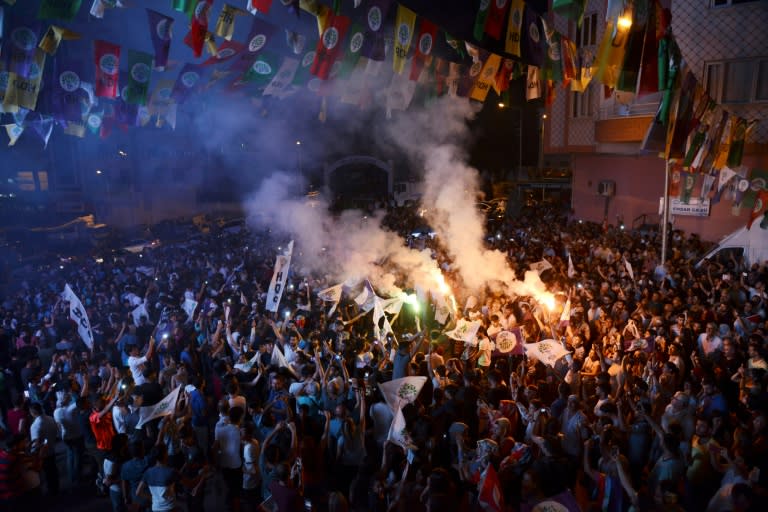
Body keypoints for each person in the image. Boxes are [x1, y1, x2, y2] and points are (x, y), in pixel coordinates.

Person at [29, 401, 59, 495]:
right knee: (53, 471)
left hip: (42, 454)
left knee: (46, 474)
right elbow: (56, 432)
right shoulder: (50, 418)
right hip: (52, 449)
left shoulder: (35, 425)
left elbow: (36, 443)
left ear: (32, 412)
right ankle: (55, 489)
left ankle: (51, 492)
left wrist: (33, 453)